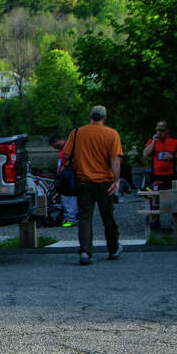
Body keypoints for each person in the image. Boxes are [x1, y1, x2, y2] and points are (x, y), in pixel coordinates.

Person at [63, 105, 123, 265]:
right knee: (108, 216)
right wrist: (117, 180)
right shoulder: (112, 134)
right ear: (105, 118)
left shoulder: (77, 133)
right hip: (105, 182)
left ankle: (85, 252)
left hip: (83, 181)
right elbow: (115, 159)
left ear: (90, 117)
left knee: (84, 218)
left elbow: (66, 154)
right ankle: (113, 248)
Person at [142, 120, 177, 190]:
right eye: (158, 130)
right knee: (155, 193)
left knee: (170, 193)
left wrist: (173, 156)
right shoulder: (153, 141)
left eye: (162, 131)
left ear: (167, 131)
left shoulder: (174, 141)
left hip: (170, 174)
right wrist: (153, 142)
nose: (159, 133)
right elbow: (145, 154)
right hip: (156, 174)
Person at [48, 134, 78, 226]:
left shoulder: (68, 147)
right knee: (66, 198)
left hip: (69, 176)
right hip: (65, 176)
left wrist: (64, 168)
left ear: (56, 141)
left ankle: (71, 219)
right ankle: (69, 217)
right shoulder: (63, 149)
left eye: (53, 145)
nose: (54, 148)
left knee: (68, 198)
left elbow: (70, 160)